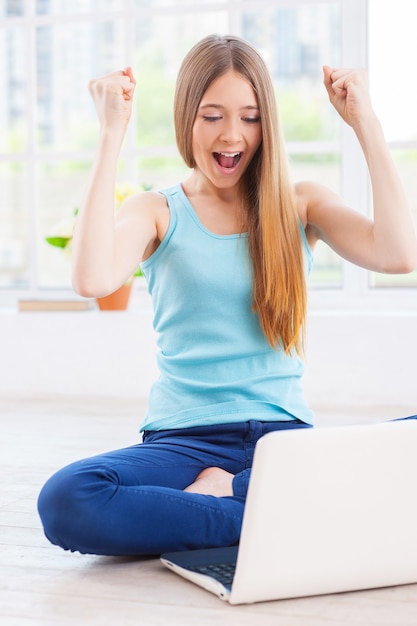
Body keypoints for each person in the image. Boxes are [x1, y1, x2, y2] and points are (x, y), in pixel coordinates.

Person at [37, 34, 417, 556]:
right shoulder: (157, 210)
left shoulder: (298, 204)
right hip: (183, 443)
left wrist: (366, 123)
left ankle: (237, 498)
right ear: (186, 117)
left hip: (283, 440)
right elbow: (91, 280)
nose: (232, 135)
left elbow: (399, 254)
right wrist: (111, 135)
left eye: (251, 116)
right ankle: (277, 514)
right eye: (212, 115)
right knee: (68, 500)